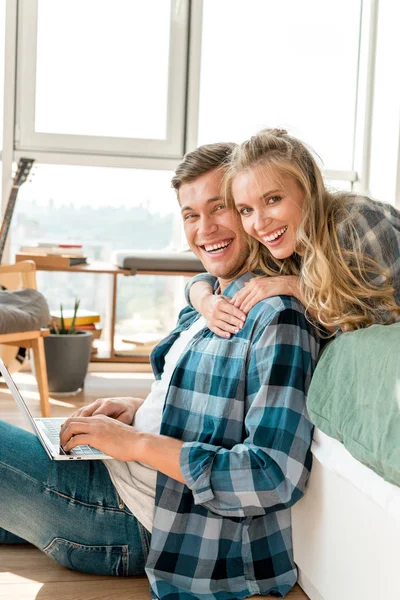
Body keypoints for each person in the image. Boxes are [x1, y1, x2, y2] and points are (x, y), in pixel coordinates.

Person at [0, 142, 320, 600]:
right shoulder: (210, 301)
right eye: (190, 214)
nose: (204, 229)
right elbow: (210, 408)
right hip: (115, 476)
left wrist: (133, 443)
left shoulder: (278, 319)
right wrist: (136, 410)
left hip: (144, 521)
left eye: (221, 208)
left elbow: (272, 475)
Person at [187, 128, 400, 338]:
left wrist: (295, 287)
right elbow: (213, 278)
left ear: (308, 189)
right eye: (246, 210)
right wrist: (206, 301)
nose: (260, 224)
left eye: (273, 200)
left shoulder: (357, 222)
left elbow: (382, 335)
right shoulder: (278, 246)